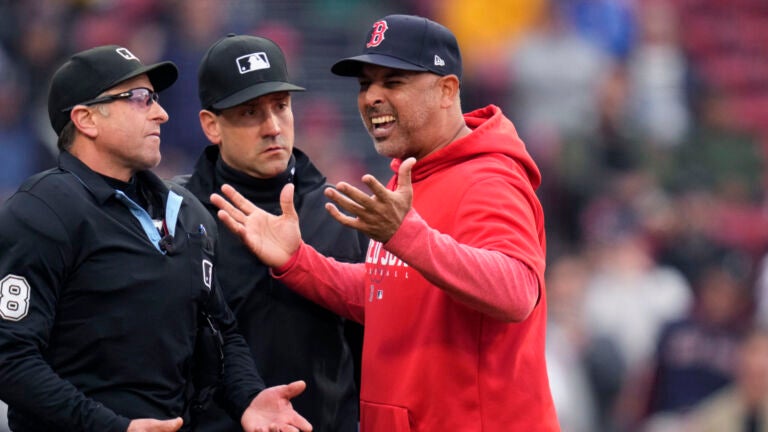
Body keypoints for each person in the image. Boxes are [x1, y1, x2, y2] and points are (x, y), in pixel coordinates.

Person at [212, 14, 560, 431]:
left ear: (447, 90)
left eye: (393, 82)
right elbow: (392, 292)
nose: (372, 97)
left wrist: (405, 235)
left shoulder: (488, 179)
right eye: (365, 84)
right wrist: (299, 261)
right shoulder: (414, 171)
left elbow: (517, 292)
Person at [0, 45, 312, 432]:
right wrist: (113, 427)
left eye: (157, 99)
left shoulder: (188, 214)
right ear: (86, 120)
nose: (161, 113)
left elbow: (219, 330)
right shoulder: (41, 212)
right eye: (140, 99)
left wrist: (248, 398)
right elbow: (10, 358)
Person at [174, 34, 365, 432]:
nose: (273, 127)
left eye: (281, 106)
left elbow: (371, 355)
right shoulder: (175, 215)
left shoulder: (342, 213)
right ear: (211, 125)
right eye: (249, 112)